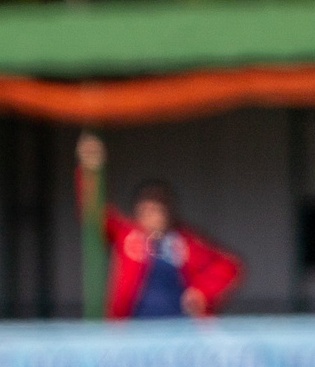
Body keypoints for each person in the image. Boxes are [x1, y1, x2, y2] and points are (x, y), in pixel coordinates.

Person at [75, 137, 241, 320]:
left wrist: (202, 292)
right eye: (148, 206)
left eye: (160, 206)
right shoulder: (128, 235)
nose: (155, 213)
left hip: (182, 328)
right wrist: (90, 171)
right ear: (137, 210)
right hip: (134, 328)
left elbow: (229, 266)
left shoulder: (186, 240)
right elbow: (93, 213)